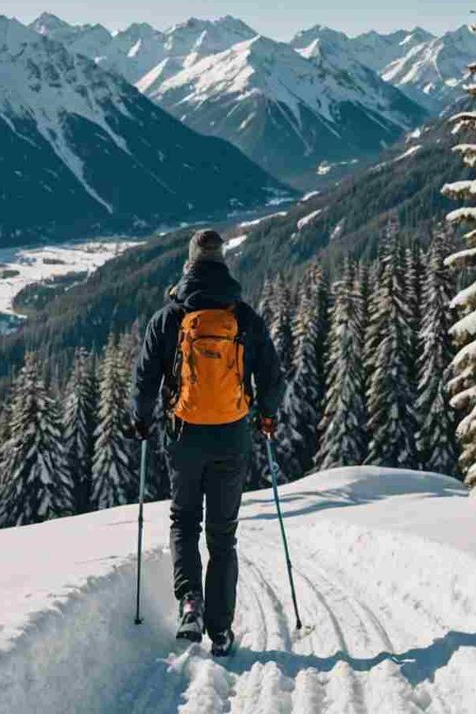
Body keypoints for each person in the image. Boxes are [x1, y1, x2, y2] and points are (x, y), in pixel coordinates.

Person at [129, 228, 284, 657]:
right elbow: (272, 378)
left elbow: (144, 381)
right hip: (232, 436)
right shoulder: (245, 318)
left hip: (183, 436)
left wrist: (141, 421)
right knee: (222, 535)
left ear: (189, 263)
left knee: (184, 522)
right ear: (223, 264)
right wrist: (267, 416)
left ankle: (190, 602)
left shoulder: (169, 318)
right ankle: (220, 630)